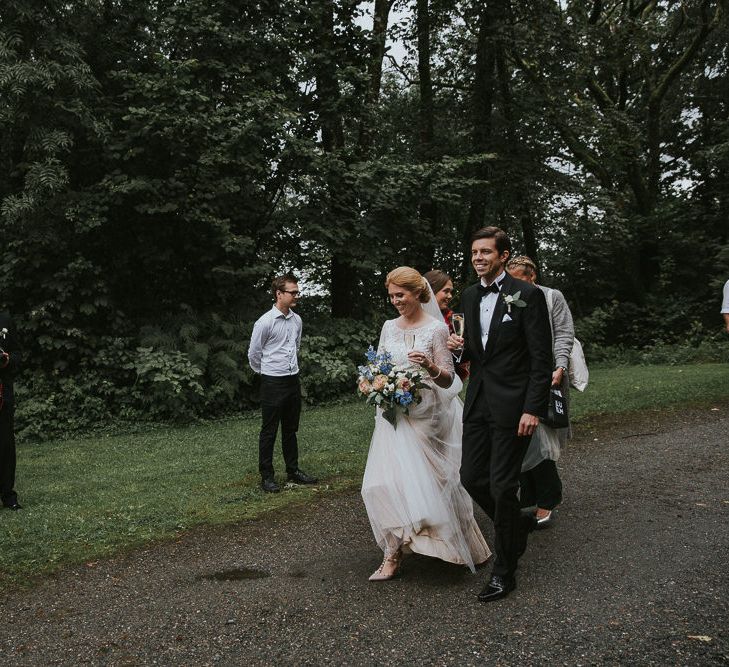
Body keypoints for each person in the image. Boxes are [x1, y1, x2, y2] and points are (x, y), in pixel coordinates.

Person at [361, 266, 490, 581]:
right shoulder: (389, 327)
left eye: (400, 295)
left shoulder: (436, 329)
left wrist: (431, 365)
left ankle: (456, 546)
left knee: (432, 483)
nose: (395, 301)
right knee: (383, 483)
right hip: (392, 416)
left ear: (418, 293)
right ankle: (391, 554)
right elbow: (379, 365)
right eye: (391, 296)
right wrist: (374, 384)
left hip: (428, 416)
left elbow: (449, 381)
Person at [447, 227, 552, 602]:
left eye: (486, 252)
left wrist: (532, 408)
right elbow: (476, 354)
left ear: (503, 255)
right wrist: (459, 350)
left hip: (514, 406)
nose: (478, 258)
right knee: (471, 476)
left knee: (503, 486)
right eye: (474, 252)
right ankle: (515, 528)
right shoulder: (470, 295)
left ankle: (505, 571)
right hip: (478, 402)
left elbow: (542, 359)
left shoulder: (528, 295)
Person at [507, 256, 574, 528]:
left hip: (547, 377)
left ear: (531, 276)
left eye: (518, 279)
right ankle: (529, 497)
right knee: (520, 438)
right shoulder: (507, 300)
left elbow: (563, 334)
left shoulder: (551, 297)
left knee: (541, 438)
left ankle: (548, 498)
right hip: (515, 380)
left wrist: (559, 366)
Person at [248, 273, 318, 493]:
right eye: (293, 292)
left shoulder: (297, 320)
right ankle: (267, 476)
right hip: (272, 382)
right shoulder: (265, 322)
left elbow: (295, 346)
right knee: (269, 431)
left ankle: (293, 470)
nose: (297, 295)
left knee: (291, 428)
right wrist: (266, 372)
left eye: (297, 292)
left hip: (292, 379)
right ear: (279, 294)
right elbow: (254, 353)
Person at [423, 270, 469, 381]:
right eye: (446, 291)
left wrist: (457, 350)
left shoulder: (455, 320)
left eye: (451, 292)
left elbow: (462, 357)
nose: (450, 296)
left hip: (443, 380)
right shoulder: (411, 317)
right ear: (431, 291)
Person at [0, 312, 22, 510]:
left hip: (2, 393)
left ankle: (8, 496)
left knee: (6, 444)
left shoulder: (6, 320)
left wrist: (8, 360)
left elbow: (17, 353)